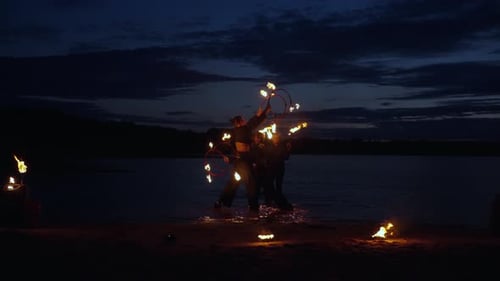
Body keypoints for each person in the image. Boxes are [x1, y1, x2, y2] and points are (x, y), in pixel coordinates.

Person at [214, 101, 271, 213]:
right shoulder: (243, 130)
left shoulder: (236, 132)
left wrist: (229, 158)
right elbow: (253, 123)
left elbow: (231, 146)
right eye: (243, 120)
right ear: (239, 122)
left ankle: (220, 202)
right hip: (243, 161)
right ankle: (253, 207)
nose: (245, 121)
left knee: (233, 182)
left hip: (240, 160)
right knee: (251, 182)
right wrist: (262, 113)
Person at [265, 133, 294, 211]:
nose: (275, 139)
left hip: (279, 169)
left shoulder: (282, 147)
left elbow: (286, 157)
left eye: (277, 137)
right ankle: (270, 201)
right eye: (274, 137)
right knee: (269, 185)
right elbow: (266, 156)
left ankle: (279, 202)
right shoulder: (268, 146)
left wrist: (288, 149)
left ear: (279, 138)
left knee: (279, 186)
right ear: (272, 138)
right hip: (270, 168)